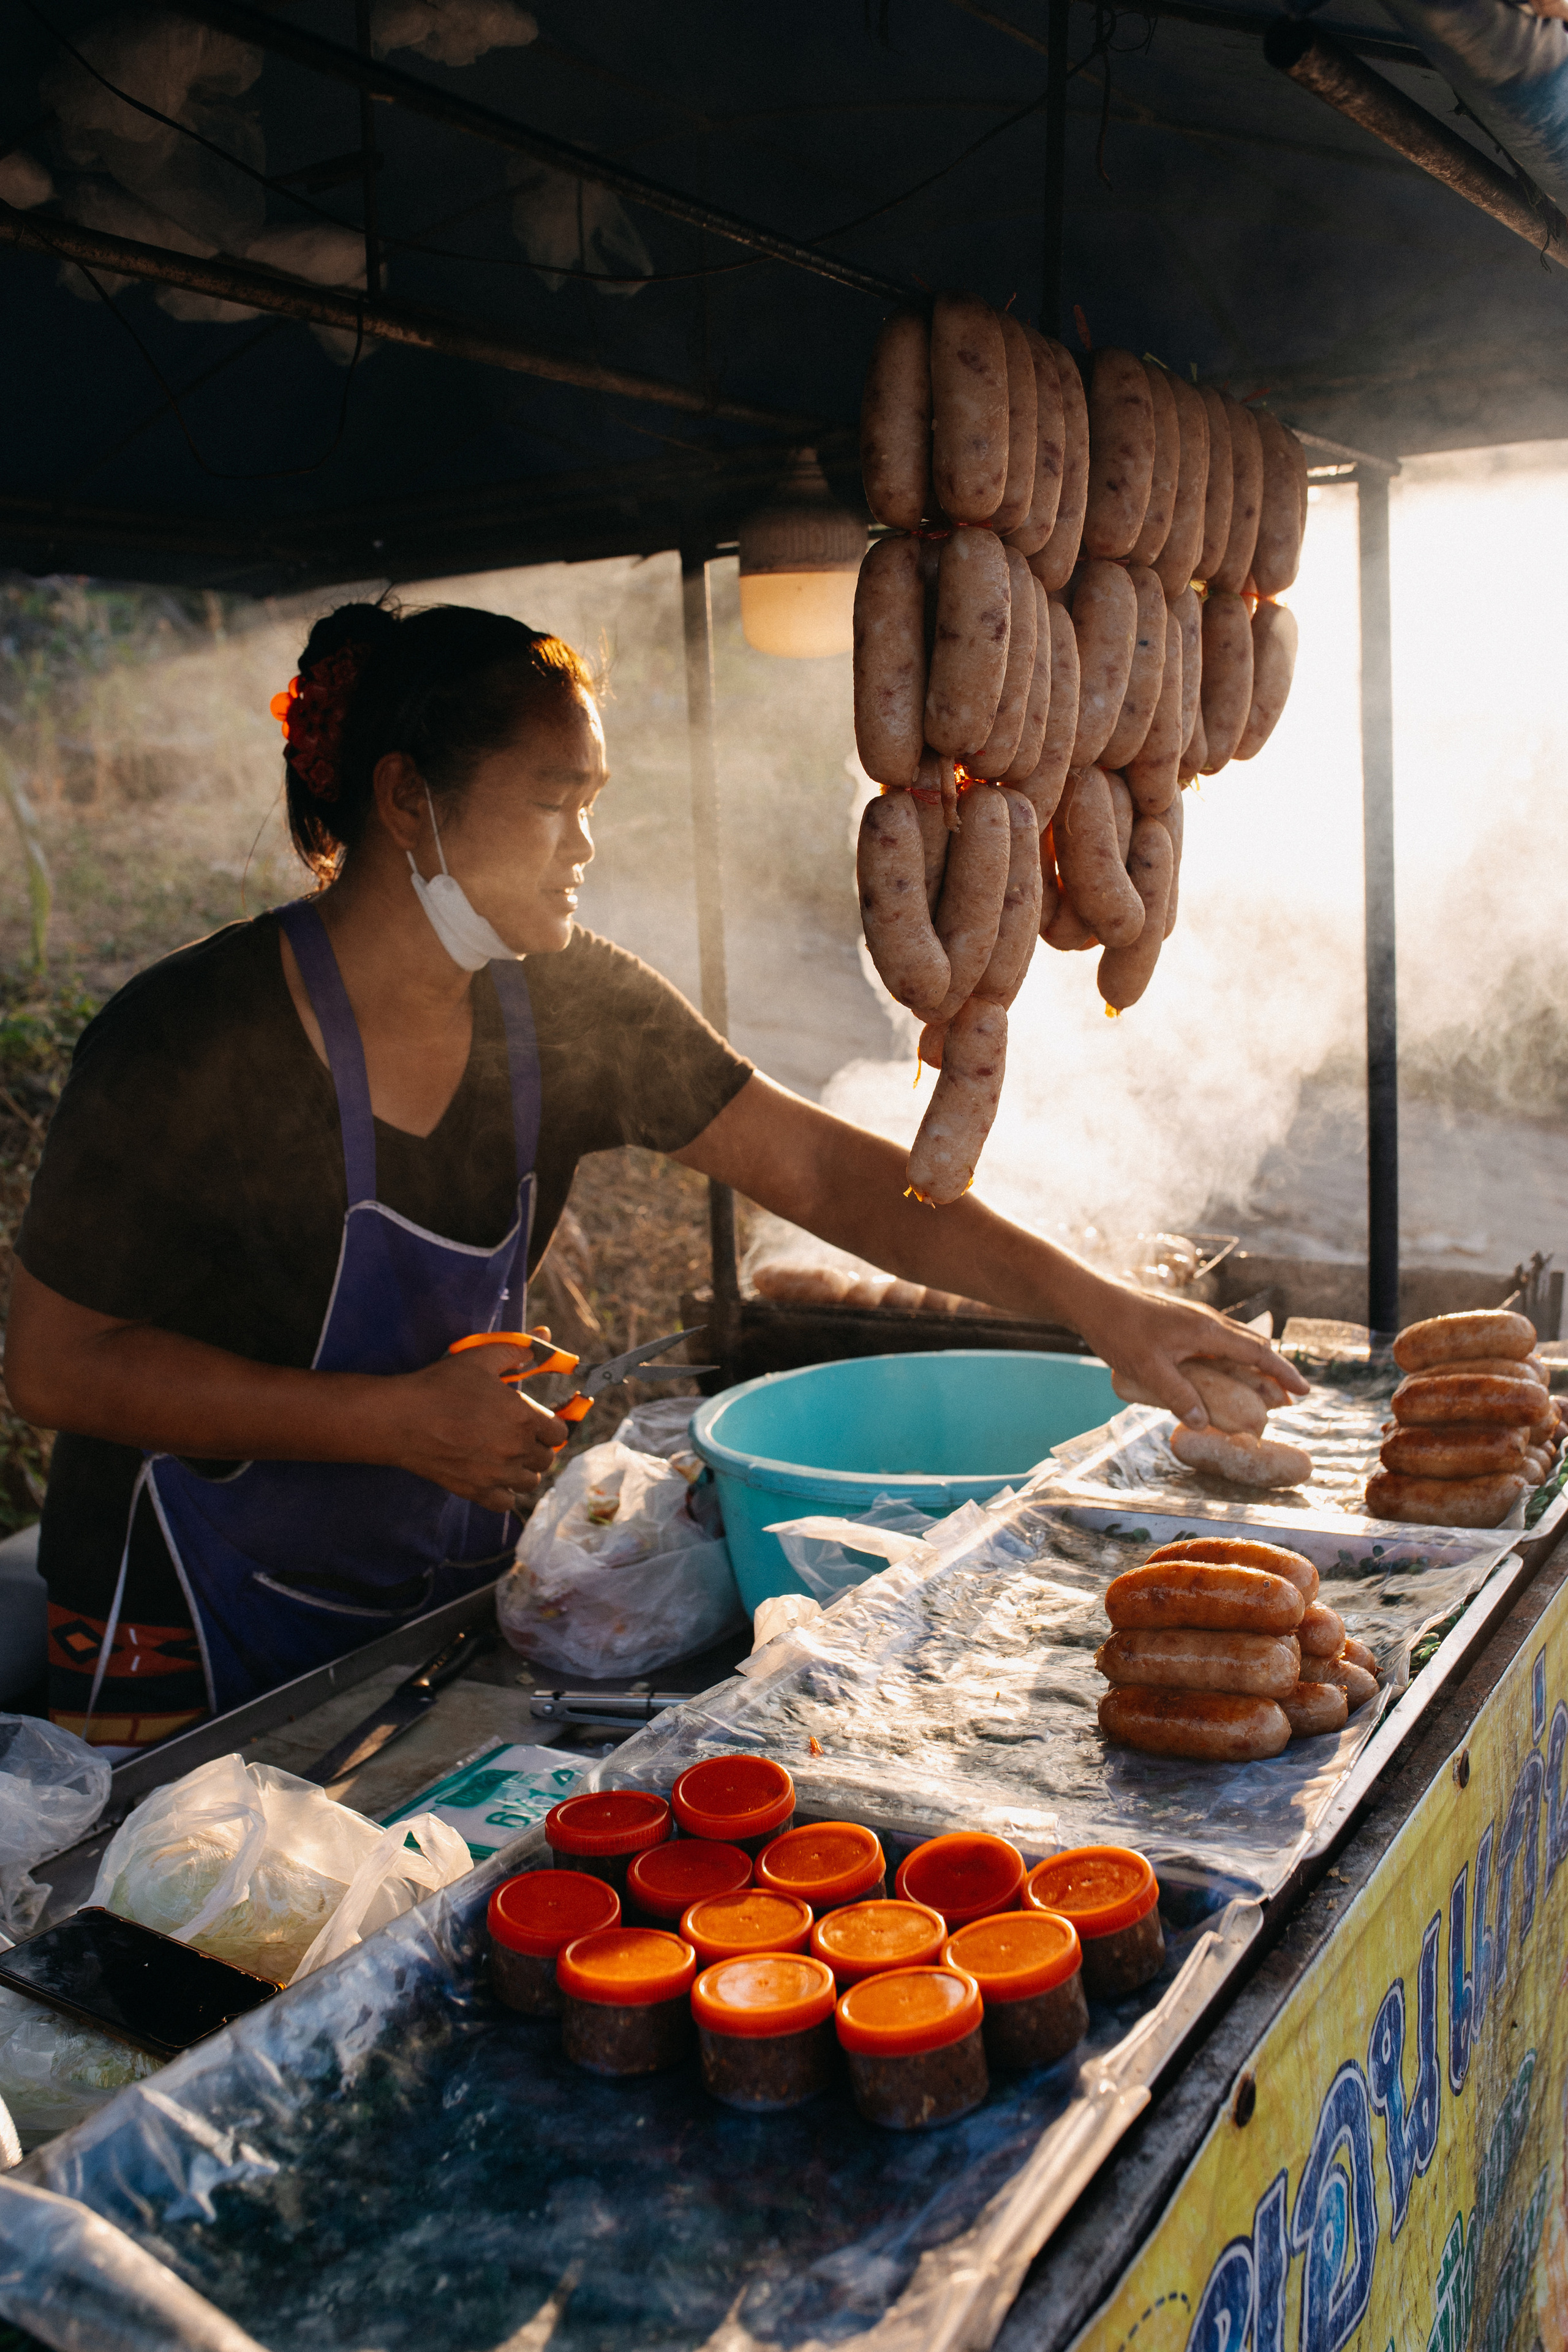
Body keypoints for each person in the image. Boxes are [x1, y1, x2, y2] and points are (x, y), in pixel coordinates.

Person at [4, 600, 1304, 1750]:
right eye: (552, 800)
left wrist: (1104, 1311)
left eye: (595, 803)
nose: (584, 844)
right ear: (408, 800)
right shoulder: (188, 1032)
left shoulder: (562, 1004)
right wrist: (391, 1422)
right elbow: (56, 1368)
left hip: (419, 1600)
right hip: (168, 1614)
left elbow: (822, 1171)